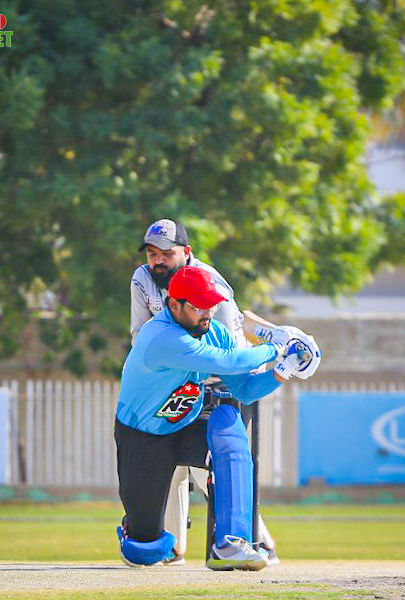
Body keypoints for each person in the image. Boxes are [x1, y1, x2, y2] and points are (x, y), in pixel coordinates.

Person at [116, 265, 320, 570]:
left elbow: (244, 390)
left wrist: (285, 369)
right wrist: (277, 346)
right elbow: (228, 361)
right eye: (198, 306)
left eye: (211, 305)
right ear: (174, 305)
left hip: (185, 423)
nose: (208, 313)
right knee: (144, 550)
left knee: (228, 422)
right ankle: (134, 528)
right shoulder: (160, 336)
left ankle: (230, 544)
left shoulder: (215, 332)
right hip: (143, 435)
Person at [130, 218, 275, 566]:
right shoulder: (142, 279)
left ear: (186, 252)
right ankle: (173, 548)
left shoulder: (211, 285)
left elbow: (231, 351)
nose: (158, 261)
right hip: (180, 378)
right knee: (170, 464)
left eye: (167, 253)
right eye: (152, 254)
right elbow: (139, 335)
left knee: (207, 463)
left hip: (227, 380)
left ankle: (258, 541)